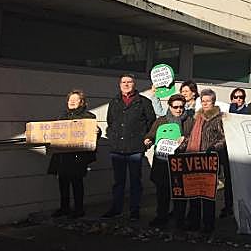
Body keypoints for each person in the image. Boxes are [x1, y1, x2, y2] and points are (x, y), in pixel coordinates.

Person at [103, 74, 156, 221]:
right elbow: (110, 122)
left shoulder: (144, 102)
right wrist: (112, 137)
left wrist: (146, 138)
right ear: (119, 85)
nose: (126, 84)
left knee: (135, 181)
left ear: (134, 84)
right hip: (117, 148)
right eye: (123, 82)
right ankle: (116, 208)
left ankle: (134, 210)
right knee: (118, 182)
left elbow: (151, 122)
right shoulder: (114, 102)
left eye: (129, 82)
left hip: (135, 148)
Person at [176, 89, 227, 232]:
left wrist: (213, 148)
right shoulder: (197, 118)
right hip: (193, 159)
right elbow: (191, 136)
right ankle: (194, 222)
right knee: (194, 193)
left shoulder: (218, 118)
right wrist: (182, 146)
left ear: (213, 102)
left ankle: (208, 225)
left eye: (207, 101)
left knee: (207, 195)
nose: (205, 103)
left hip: (208, 160)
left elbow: (223, 139)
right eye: (203, 101)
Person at [143, 94, 194, 228]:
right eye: (175, 107)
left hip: (181, 163)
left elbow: (194, 138)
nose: (179, 110)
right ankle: (161, 217)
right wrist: (148, 140)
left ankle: (179, 219)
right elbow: (152, 134)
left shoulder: (190, 121)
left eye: (181, 107)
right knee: (162, 193)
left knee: (180, 193)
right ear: (170, 107)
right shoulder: (161, 121)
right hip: (162, 163)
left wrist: (186, 139)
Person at [48, 90, 100, 219]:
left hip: (78, 156)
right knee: (63, 182)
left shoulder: (88, 117)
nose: (71, 102)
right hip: (62, 156)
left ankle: (78, 209)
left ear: (81, 102)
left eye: (75, 100)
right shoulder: (62, 116)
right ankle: (64, 208)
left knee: (76, 182)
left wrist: (97, 132)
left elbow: (93, 135)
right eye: (70, 100)